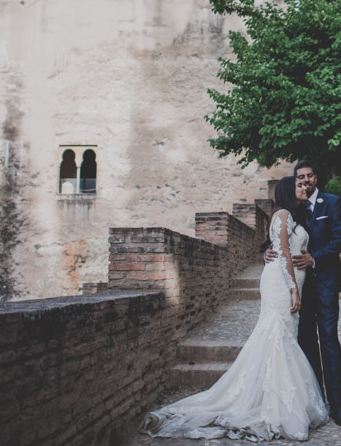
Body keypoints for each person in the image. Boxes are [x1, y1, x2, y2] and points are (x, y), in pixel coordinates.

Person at [140, 176, 328, 441]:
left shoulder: (292, 215)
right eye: (299, 185)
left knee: (282, 335)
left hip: (288, 279)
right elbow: (284, 253)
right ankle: (273, 404)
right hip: (280, 283)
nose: (304, 187)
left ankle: (272, 396)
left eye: (305, 185)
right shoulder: (283, 215)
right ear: (287, 191)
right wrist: (293, 289)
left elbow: (277, 248)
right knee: (276, 334)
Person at [264, 161, 341, 427]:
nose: (305, 181)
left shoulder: (332, 202)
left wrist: (315, 259)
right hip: (300, 287)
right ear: (296, 181)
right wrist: (266, 251)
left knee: (328, 341)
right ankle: (315, 399)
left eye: (309, 176)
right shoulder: (294, 208)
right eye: (300, 177)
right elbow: (282, 239)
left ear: (316, 177)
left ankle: (337, 405)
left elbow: (340, 239)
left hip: (324, 282)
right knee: (306, 342)